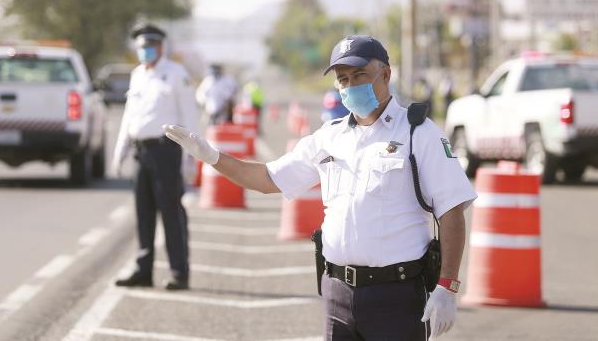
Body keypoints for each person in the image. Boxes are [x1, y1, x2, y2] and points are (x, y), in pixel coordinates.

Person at [164, 35, 477, 339]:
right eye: (343, 79)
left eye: (360, 75)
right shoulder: (330, 136)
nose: (351, 85)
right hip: (338, 293)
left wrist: (447, 287)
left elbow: (451, 209)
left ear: (385, 74)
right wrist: (211, 156)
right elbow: (267, 179)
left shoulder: (417, 132)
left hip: (397, 295)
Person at [111, 24, 199, 291]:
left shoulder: (175, 74)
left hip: (166, 151)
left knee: (171, 212)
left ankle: (178, 272)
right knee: (143, 212)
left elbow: (189, 116)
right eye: (140, 47)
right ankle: (143, 269)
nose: (144, 51)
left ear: (160, 47)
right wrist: (120, 150)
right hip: (141, 151)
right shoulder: (138, 75)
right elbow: (130, 115)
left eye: (149, 46)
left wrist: (190, 157)